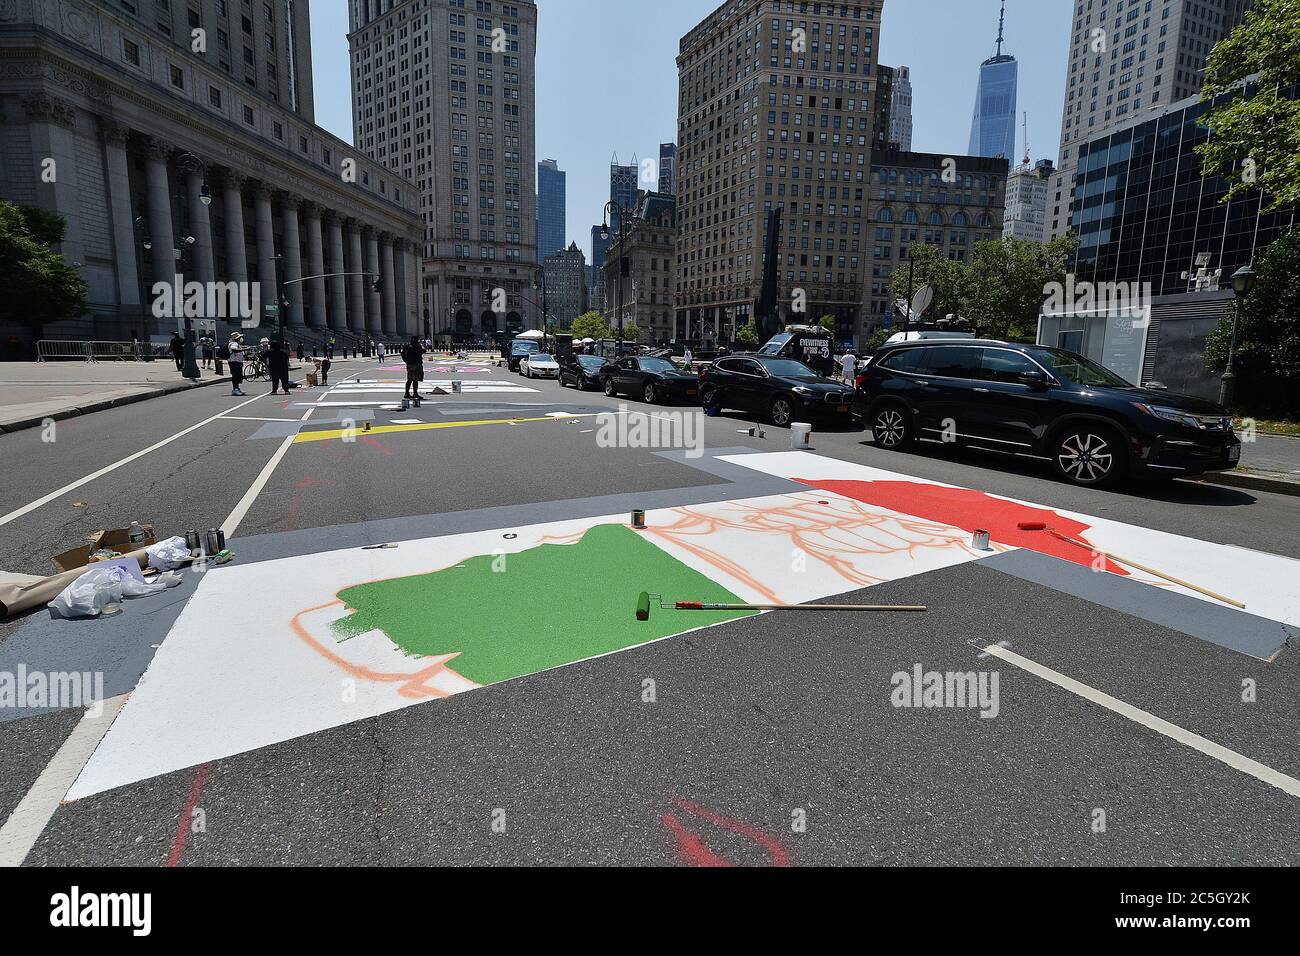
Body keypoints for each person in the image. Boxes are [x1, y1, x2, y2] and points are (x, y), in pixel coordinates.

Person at [402, 336, 424, 401]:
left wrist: (406, 360)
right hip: (416, 364)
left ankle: (406, 393)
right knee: (415, 380)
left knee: (409, 379)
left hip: (409, 364)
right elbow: (422, 351)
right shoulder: (417, 346)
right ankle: (415, 393)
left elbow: (402, 353)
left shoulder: (408, 346)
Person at [225, 332, 247, 396]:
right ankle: (235, 389)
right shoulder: (234, 343)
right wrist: (244, 349)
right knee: (236, 376)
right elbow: (234, 349)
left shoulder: (236, 343)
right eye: (240, 337)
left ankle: (237, 388)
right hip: (234, 362)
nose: (241, 339)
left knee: (238, 376)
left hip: (236, 362)